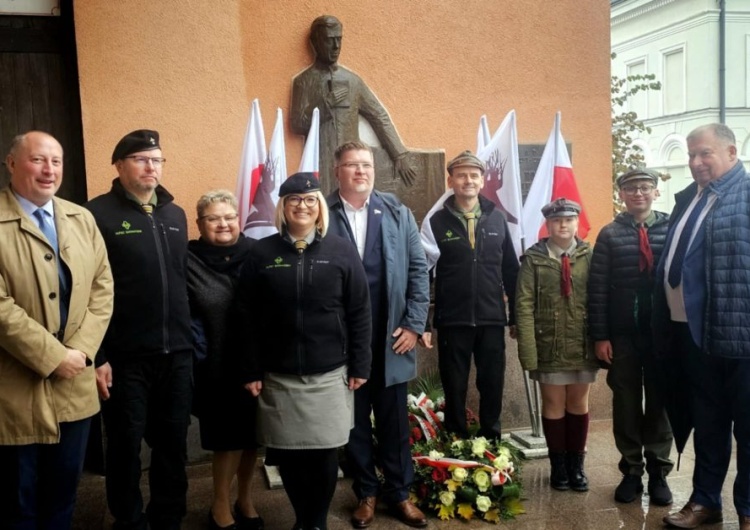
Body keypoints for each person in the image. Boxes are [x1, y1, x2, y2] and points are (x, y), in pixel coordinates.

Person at [238, 172, 372, 530]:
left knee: (326, 454)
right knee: (291, 455)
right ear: (283, 206)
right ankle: (302, 519)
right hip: (279, 375)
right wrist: (250, 370)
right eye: (295, 200)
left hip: (329, 373)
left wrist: (361, 363)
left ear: (319, 207)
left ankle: (316, 522)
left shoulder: (341, 251)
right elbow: (246, 316)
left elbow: (359, 311)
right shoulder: (261, 253)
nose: (303, 206)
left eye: (310, 199)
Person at [0, 131, 113, 529]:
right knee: (18, 503)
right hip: (14, 390)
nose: (49, 170)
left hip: (74, 386)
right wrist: (52, 357)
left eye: (57, 161)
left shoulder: (81, 219)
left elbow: (103, 288)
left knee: (63, 498)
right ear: (12, 163)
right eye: (37, 160)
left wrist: (80, 352)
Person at [85, 130, 193, 530]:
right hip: (125, 359)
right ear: (119, 165)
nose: (152, 167)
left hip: (176, 355)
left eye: (158, 160)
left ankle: (168, 518)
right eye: (142, 159)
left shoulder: (175, 215)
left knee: (172, 447)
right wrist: (98, 356)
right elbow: (86, 289)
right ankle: (128, 520)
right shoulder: (95, 215)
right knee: (126, 448)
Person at [326, 141, 430, 528]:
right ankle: (366, 493)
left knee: (394, 424)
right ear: (337, 171)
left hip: (390, 337)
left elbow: (418, 270)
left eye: (366, 165)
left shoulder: (396, 211)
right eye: (352, 165)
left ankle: (400, 494)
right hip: (344, 341)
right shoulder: (323, 213)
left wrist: (415, 323)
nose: (360, 171)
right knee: (353, 425)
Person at [656, 124, 750, 530]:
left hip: (742, 340)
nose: (696, 162)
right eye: (692, 155)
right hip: (697, 337)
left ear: (731, 151)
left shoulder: (744, 195)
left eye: (705, 154)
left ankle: (748, 509)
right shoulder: (691, 199)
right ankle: (705, 502)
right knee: (708, 427)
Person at [587, 168, 674, 506]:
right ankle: (631, 471)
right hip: (622, 335)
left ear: (655, 192)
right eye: (631, 189)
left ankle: (659, 471)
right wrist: (600, 336)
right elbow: (597, 290)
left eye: (645, 187)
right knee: (624, 402)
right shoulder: (610, 234)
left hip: (661, 335)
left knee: (659, 401)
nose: (639, 193)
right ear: (621, 195)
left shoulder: (671, 228)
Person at [420, 150, 519, 439]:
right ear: (451, 180)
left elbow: (511, 270)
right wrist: (424, 323)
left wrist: (513, 316)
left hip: (491, 319)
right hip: (453, 319)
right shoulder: (435, 222)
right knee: (454, 385)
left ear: (482, 180)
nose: (468, 180)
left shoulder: (497, 220)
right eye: (461, 175)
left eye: (474, 175)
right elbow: (423, 273)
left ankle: (492, 441)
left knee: (492, 384)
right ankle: (456, 442)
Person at [187, 190, 262, 530]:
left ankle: (245, 499)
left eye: (229, 217)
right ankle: (219, 505)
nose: (223, 224)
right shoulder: (188, 259)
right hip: (214, 365)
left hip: (255, 364)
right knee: (226, 440)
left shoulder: (256, 254)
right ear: (200, 223)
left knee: (252, 438)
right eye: (214, 218)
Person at [515, 198, 597, 493]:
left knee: (578, 403)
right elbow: (523, 306)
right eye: (556, 221)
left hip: (582, 343)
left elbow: (600, 298)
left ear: (577, 223)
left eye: (569, 219)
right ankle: (558, 466)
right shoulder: (533, 259)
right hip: (548, 344)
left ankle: (577, 466)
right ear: (547, 225)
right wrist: (528, 350)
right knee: (553, 404)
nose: (563, 225)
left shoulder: (590, 256)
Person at [290, 15, 416, 195]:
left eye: (339, 39)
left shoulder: (352, 81)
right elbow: (297, 124)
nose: (336, 47)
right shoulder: (304, 81)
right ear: (315, 42)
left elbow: (378, 115)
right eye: (329, 40)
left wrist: (399, 154)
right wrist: (325, 106)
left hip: (353, 167)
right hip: (321, 164)